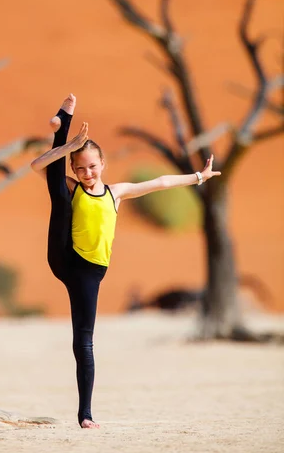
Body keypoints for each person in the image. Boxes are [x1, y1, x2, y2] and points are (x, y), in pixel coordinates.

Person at [31, 94, 221, 429]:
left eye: (92, 166)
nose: (87, 173)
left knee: (84, 340)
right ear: (75, 169)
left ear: (103, 164)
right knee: (59, 195)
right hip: (63, 257)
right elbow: (37, 167)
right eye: (81, 168)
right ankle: (63, 126)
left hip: (90, 273)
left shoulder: (115, 193)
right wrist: (67, 146)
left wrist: (198, 177)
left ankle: (84, 413)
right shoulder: (75, 187)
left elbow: (160, 183)